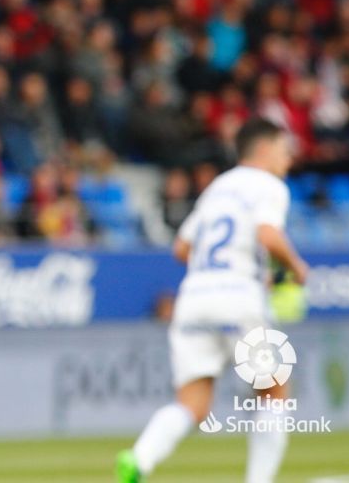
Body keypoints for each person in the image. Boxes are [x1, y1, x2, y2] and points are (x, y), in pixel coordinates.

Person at [116, 118, 308, 483]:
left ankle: (139, 459)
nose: (289, 159)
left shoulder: (218, 188)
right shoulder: (268, 185)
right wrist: (296, 267)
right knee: (273, 391)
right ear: (264, 150)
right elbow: (268, 234)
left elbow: (181, 247)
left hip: (194, 300)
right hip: (239, 298)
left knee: (192, 404)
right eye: (284, 151)